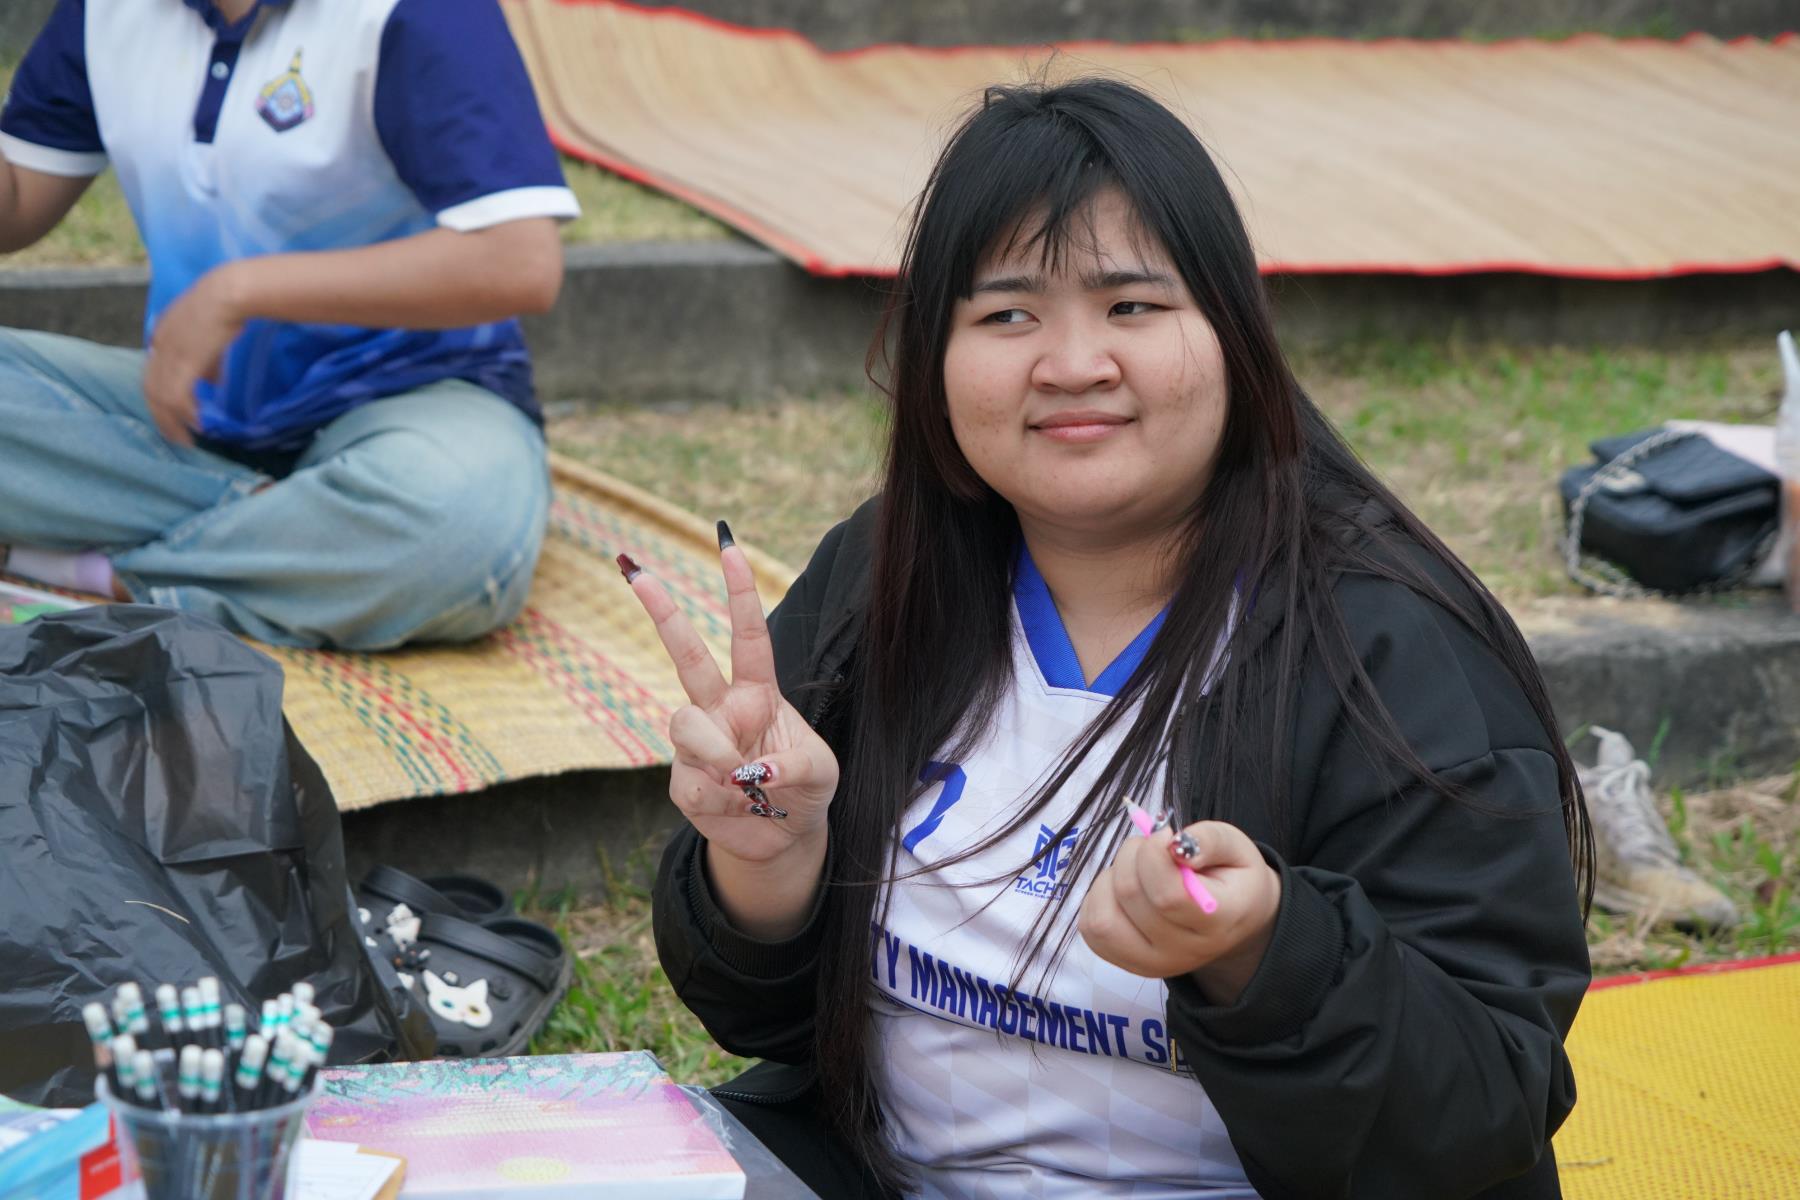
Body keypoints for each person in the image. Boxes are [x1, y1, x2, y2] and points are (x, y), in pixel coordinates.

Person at [629, 78, 1594, 1199]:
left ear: (1234, 333)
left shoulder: (1391, 646)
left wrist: (1265, 952)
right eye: (1006, 316)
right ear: (934, 361)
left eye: (1131, 306)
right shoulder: (886, 570)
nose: (1073, 364)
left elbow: (1484, 1110)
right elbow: (762, 1018)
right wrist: (768, 861)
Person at [0, 0, 578, 649]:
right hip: (193, 410)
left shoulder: (423, 12)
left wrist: (241, 292)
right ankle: (291, 537)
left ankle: (91, 569)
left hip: (413, 399)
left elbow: (518, 261)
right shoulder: (105, 9)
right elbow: (18, 201)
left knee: (456, 532)